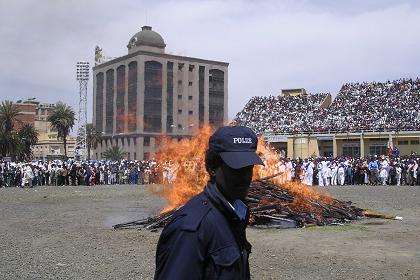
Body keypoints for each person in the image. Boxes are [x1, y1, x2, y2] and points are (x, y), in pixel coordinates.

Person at [154, 126, 264, 280]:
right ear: (212, 168)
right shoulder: (192, 228)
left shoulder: (235, 214)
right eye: (236, 168)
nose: (245, 176)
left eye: (249, 167)